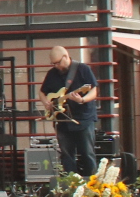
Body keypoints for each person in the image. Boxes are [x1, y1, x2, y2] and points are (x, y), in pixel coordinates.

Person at [41, 45, 100, 177]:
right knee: (66, 155)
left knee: (87, 153)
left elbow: (93, 90)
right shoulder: (52, 74)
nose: (56, 66)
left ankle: (91, 183)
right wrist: (46, 102)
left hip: (83, 119)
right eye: (53, 63)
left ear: (65, 57)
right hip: (62, 120)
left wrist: (82, 100)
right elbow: (42, 92)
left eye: (57, 63)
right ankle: (70, 183)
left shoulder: (83, 69)